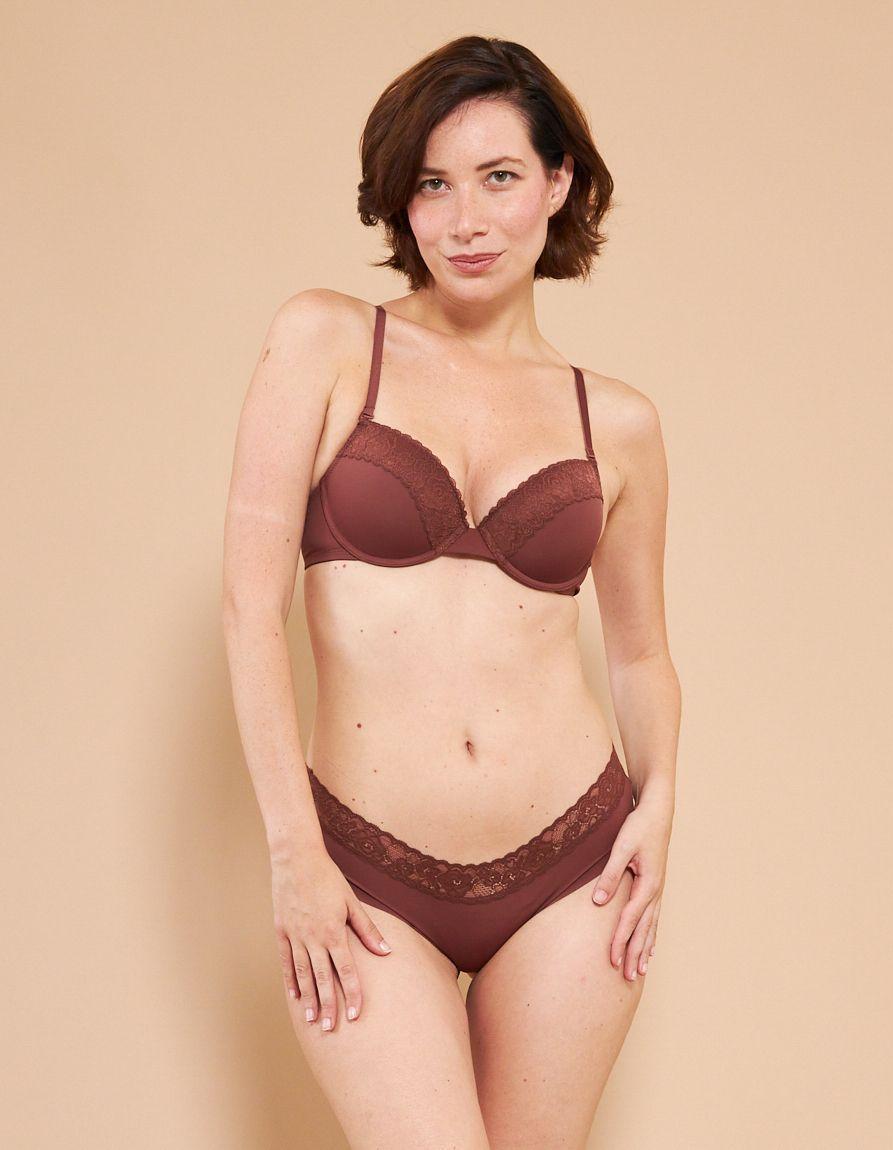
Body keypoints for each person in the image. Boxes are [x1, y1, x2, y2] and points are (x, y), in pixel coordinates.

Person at [222, 34, 680, 1150]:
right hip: (362, 868)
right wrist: (293, 854)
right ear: (401, 200)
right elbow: (247, 609)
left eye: (498, 177)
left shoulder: (617, 421)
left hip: (572, 870)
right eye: (432, 185)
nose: (465, 220)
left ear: (558, 182)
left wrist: (661, 802)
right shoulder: (328, 340)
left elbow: (638, 652)